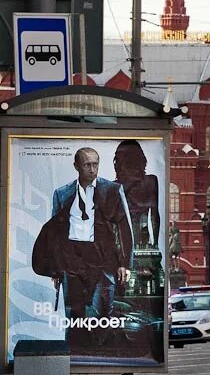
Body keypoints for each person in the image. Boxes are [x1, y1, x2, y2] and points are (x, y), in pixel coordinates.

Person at [32, 147, 134, 355]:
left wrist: (124, 262)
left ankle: (102, 353)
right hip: (73, 259)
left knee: (103, 309)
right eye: (87, 165)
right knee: (74, 311)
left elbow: (124, 227)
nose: (92, 169)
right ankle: (75, 354)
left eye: (95, 164)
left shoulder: (112, 190)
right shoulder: (62, 193)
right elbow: (55, 236)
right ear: (76, 166)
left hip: (103, 260)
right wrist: (55, 270)